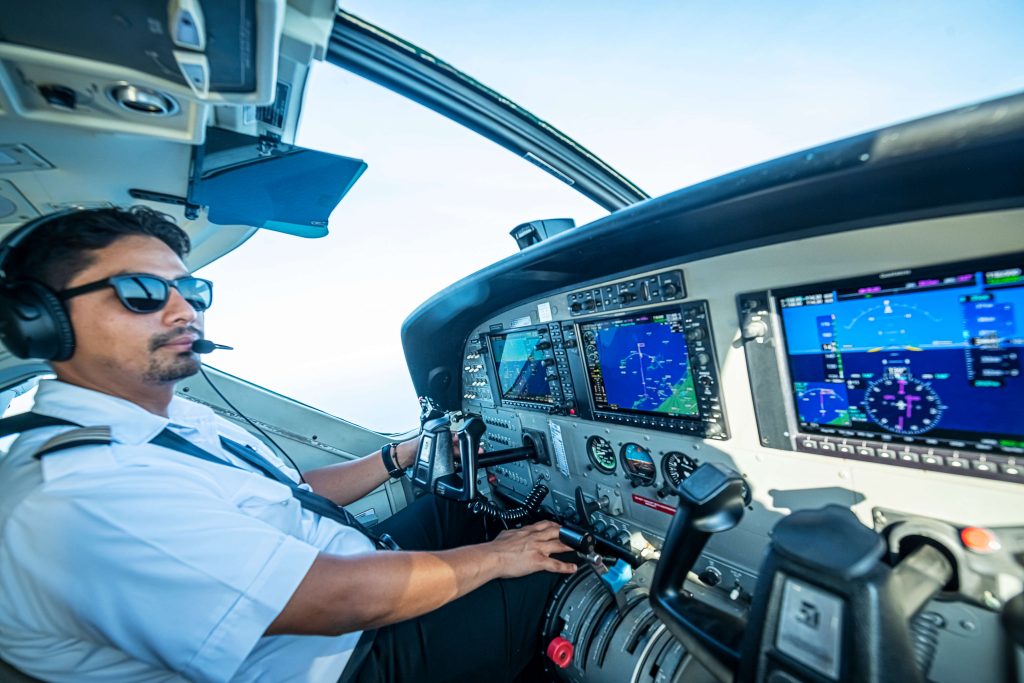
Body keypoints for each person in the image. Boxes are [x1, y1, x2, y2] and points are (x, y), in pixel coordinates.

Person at [0, 207, 577, 683]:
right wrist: (500, 558)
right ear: (43, 320)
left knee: (469, 501)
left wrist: (398, 454)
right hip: (341, 659)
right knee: (571, 573)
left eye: (190, 289)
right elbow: (330, 603)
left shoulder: (158, 416)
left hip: (345, 573)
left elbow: (285, 493)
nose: (184, 310)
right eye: (142, 292)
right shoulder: (81, 492)